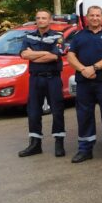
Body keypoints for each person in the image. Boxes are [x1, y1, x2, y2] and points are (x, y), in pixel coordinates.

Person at [66, 6, 102, 163]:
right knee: (84, 116)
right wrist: (83, 70)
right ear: (87, 18)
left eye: (98, 15)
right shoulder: (78, 36)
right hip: (84, 83)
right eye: (92, 15)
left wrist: (94, 67)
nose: (95, 18)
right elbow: (70, 56)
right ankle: (85, 150)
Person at [18, 10, 67, 158]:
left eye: (44, 18)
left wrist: (34, 55)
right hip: (35, 78)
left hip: (52, 78)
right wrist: (44, 54)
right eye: (38, 18)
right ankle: (35, 144)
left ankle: (59, 143)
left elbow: (54, 56)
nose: (41, 20)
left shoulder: (58, 36)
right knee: (33, 111)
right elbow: (23, 54)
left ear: (50, 20)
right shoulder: (28, 36)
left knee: (57, 111)